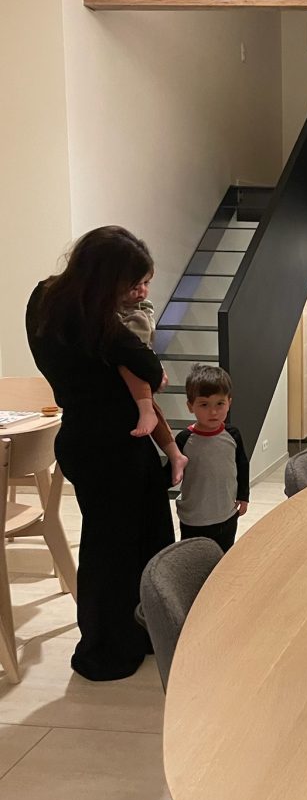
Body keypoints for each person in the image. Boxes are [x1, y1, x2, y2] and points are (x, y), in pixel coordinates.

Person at [25, 226, 175, 681]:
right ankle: (109, 647)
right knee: (120, 551)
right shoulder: (94, 319)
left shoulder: (45, 300)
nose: (138, 293)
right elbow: (151, 368)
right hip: (113, 445)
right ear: (106, 279)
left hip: (87, 438)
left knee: (119, 543)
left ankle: (133, 635)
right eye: (132, 284)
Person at [117, 272, 187, 485]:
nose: (142, 290)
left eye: (146, 283)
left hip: (136, 363)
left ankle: (146, 410)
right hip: (140, 361)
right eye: (134, 285)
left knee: (128, 368)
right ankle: (175, 454)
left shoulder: (139, 311)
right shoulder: (122, 309)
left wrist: (155, 369)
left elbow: (133, 353)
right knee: (154, 410)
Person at [173, 365, 249, 553]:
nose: (213, 412)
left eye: (219, 404)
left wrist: (243, 496)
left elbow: (242, 465)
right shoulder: (184, 439)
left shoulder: (233, 434)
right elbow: (172, 472)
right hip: (194, 519)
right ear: (190, 406)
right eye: (204, 405)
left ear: (229, 403)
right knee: (194, 560)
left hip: (227, 514)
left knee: (224, 558)